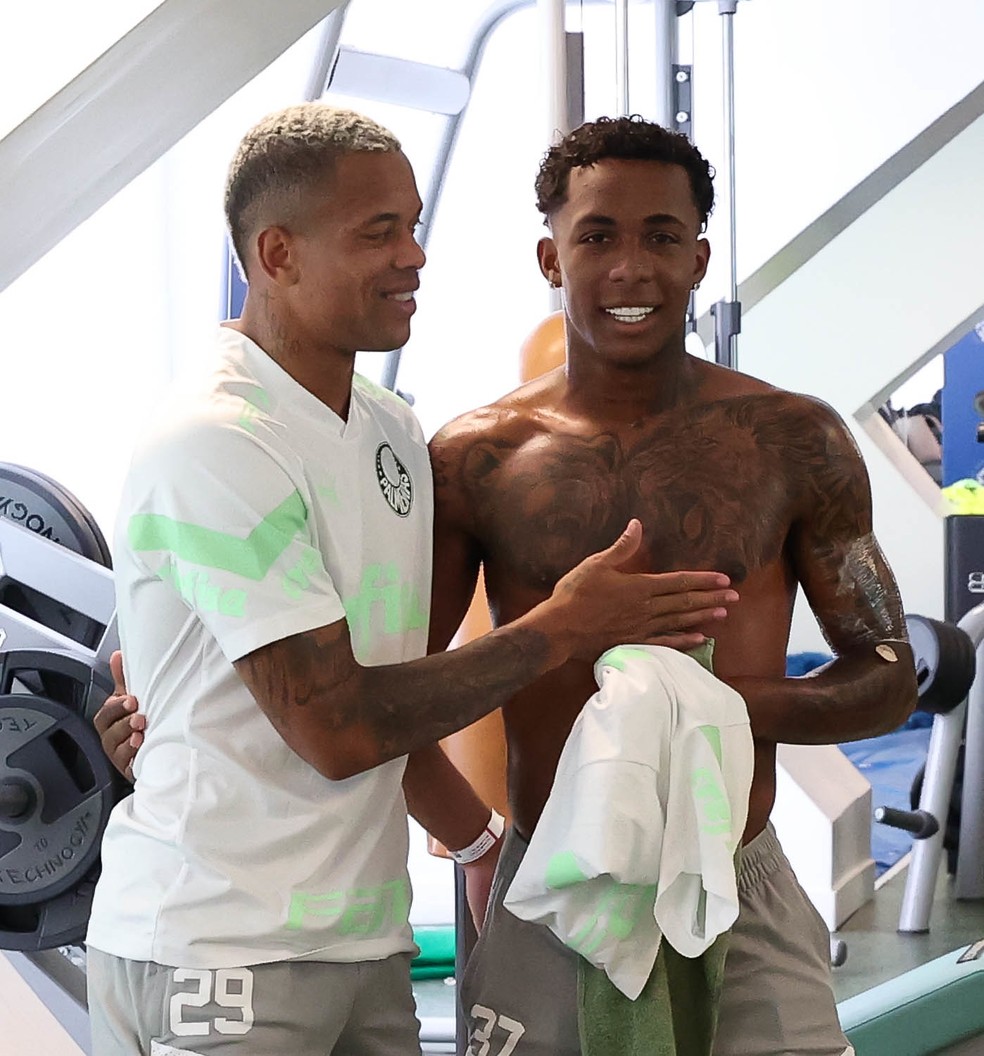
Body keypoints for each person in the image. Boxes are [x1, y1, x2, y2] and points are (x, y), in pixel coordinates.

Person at [84, 103, 739, 1056]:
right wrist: (565, 626)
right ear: (278, 255)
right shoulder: (214, 439)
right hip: (216, 945)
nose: (414, 255)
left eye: (414, 224)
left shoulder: (391, 428)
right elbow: (340, 728)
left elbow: (399, 682)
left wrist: (475, 847)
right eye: (378, 232)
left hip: (362, 946)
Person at [418, 116, 919, 1056]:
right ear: (548, 257)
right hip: (550, 882)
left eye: (661, 237)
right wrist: (479, 840)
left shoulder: (793, 440)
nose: (631, 268)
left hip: (741, 877)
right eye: (597, 237)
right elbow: (394, 686)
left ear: (699, 257)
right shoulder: (474, 459)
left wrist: (702, 705)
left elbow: (889, 673)